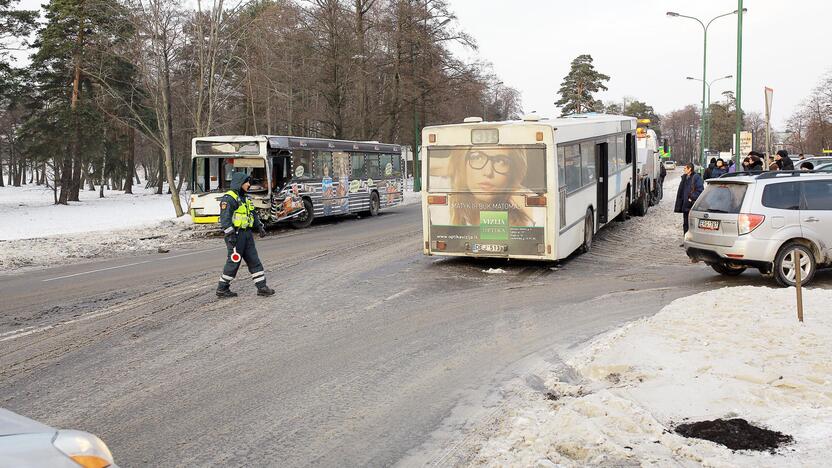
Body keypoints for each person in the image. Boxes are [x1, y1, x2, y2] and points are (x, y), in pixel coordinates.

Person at [216, 172, 275, 298]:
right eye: (247, 182)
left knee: (254, 261)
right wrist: (230, 235)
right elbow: (225, 219)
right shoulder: (229, 198)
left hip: (247, 234)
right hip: (235, 235)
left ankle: (262, 287)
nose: (249, 184)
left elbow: (252, 213)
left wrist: (259, 227)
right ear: (239, 183)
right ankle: (222, 288)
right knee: (233, 263)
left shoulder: (246, 198)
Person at [447, 148, 536, 226]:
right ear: (463, 163)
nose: (488, 172)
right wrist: (452, 165)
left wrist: (528, 206)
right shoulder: (445, 196)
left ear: (512, 171)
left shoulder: (522, 203)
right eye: (477, 157)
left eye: (500, 161)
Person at [674, 163, 704, 245]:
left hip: (691, 204)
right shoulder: (684, 177)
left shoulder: (696, 178)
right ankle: (686, 240)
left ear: (690, 169)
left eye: (685, 168)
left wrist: (691, 198)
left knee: (692, 224)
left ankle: (693, 241)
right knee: (685, 223)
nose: (683, 170)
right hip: (685, 204)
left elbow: (700, 191)